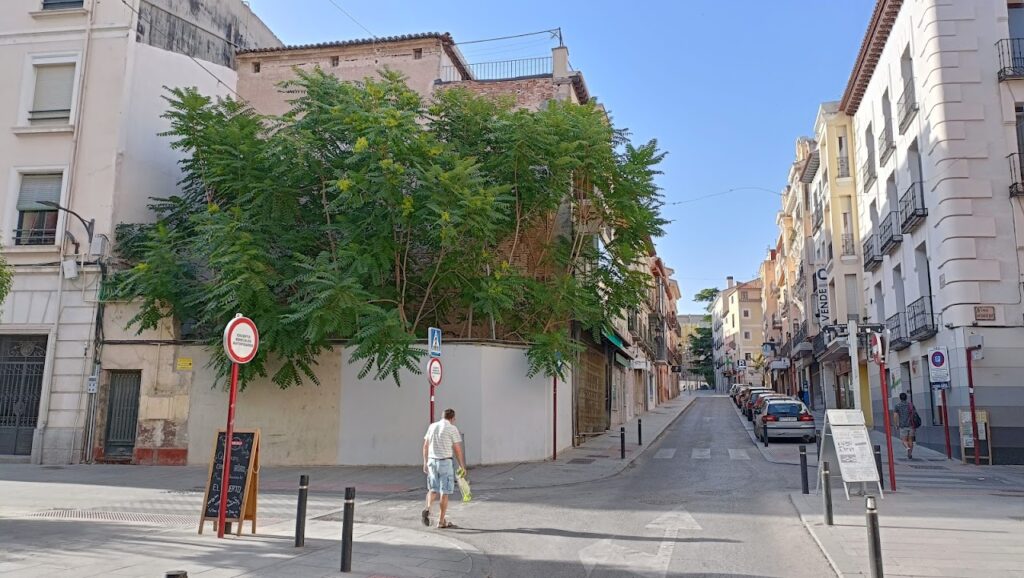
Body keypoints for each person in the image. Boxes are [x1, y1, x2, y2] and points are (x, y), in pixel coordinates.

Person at [422, 408, 466, 529]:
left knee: (432, 489)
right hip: (445, 462)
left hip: (432, 461)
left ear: (442, 416)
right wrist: (462, 465)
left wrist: (425, 462)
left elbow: (425, 445)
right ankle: (441, 521)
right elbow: (457, 449)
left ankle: (428, 508)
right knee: (444, 492)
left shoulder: (432, 426)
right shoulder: (452, 428)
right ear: (452, 418)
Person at [892, 392, 915, 459]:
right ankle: (909, 454)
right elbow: (914, 413)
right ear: (906, 398)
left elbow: (895, 416)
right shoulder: (910, 405)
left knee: (903, 440)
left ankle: (907, 447)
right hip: (911, 424)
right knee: (910, 439)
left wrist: (896, 424)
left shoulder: (897, 406)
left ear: (900, 398)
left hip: (903, 425)